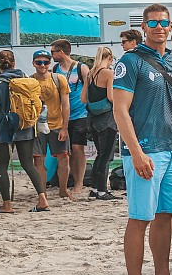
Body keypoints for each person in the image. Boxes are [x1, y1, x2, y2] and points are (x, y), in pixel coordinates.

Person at [112, 4, 172, 275]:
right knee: (139, 218)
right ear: (143, 27)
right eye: (153, 23)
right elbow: (120, 110)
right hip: (146, 150)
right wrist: (136, 152)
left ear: (171, 26)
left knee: (165, 216)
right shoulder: (130, 61)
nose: (159, 27)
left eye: (163, 22)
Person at [0, 51, 50, 214]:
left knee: (1, 166)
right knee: (28, 164)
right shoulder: (27, 79)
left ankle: (7, 205)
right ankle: (43, 200)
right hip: (25, 126)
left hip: (3, 128)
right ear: (14, 63)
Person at [50, 40, 91, 198]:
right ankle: (70, 180)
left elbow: (90, 88)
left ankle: (79, 183)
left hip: (81, 113)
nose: (51, 55)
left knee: (78, 148)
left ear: (61, 52)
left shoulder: (81, 68)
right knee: (66, 152)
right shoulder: (55, 69)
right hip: (62, 116)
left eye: (53, 52)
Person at [30, 49, 71, 200]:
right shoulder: (29, 81)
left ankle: (63, 189)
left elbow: (66, 105)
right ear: (33, 63)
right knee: (39, 160)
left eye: (46, 62)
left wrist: (65, 128)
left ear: (49, 63)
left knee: (64, 158)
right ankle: (42, 194)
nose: (42, 65)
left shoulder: (58, 79)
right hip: (36, 126)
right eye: (39, 62)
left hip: (57, 124)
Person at [83, 46, 119, 201]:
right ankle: (102, 191)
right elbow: (111, 97)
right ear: (109, 58)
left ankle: (94, 189)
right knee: (107, 156)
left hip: (92, 119)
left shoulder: (90, 74)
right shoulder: (108, 73)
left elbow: (83, 98)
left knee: (100, 155)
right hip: (107, 119)